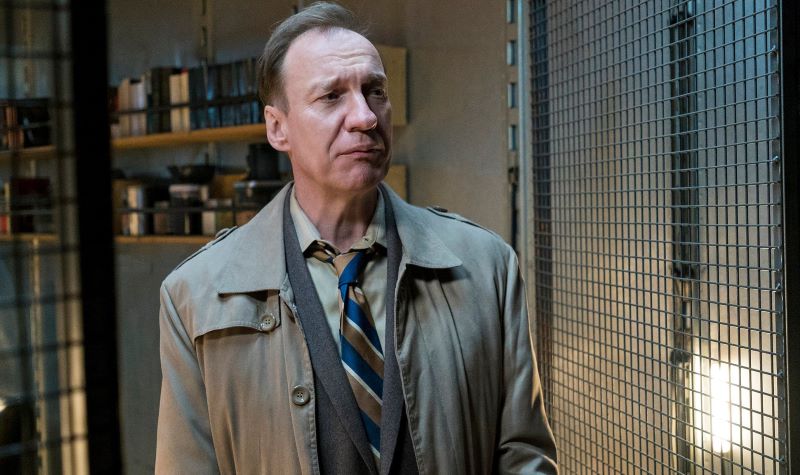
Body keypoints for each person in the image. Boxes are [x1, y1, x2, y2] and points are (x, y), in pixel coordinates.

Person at [155, 2, 558, 474]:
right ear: (277, 128)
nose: (365, 117)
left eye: (375, 91)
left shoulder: (486, 268)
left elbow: (525, 457)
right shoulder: (195, 297)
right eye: (331, 97)